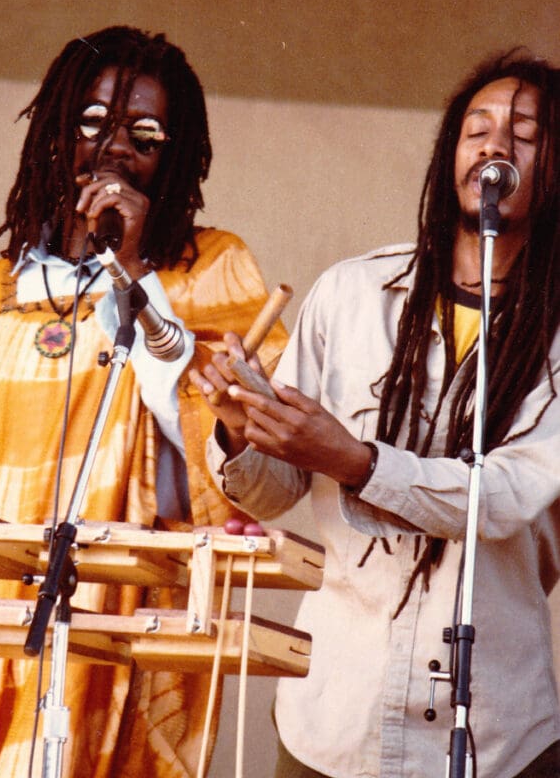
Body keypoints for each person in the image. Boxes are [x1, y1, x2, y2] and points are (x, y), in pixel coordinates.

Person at [0, 26, 286, 778]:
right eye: (89, 124)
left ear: (172, 158)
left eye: (144, 136)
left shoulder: (213, 270)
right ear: (52, 135)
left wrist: (134, 270)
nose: (114, 149)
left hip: (131, 648)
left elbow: (232, 462)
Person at [191, 50, 560, 778]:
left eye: (523, 132)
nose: (493, 145)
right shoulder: (351, 293)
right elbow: (274, 489)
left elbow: (505, 496)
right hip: (334, 716)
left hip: (496, 731)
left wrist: (351, 461)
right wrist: (240, 424)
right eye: (474, 129)